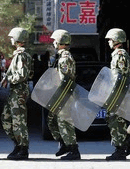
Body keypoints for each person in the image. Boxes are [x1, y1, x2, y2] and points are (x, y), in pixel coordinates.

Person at [47, 29, 81, 160]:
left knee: (65, 121)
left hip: (64, 95)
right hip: (62, 94)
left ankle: (73, 150)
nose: (54, 43)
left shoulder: (65, 58)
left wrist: (60, 97)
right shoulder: (61, 57)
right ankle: (64, 143)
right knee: (52, 120)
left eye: (55, 40)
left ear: (60, 42)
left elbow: (65, 79)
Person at [104, 28, 130, 160]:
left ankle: (120, 150)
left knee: (115, 119)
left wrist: (114, 94)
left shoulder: (120, 55)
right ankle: (128, 143)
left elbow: (119, 77)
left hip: (119, 93)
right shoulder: (118, 54)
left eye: (111, 39)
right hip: (120, 92)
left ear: (117, 40)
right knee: (117, 120)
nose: (109, 42)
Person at [1, 27, 33, 160]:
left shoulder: (22, 55)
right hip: (15, 91)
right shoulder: (17, 54)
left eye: (12, 37)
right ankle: (18, 144)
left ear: (18, 39)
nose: (11, 39)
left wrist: (9, 79)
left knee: (19, 121)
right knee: (6, 118)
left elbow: (22, 75)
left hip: (19, 91)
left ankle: (23, 149)